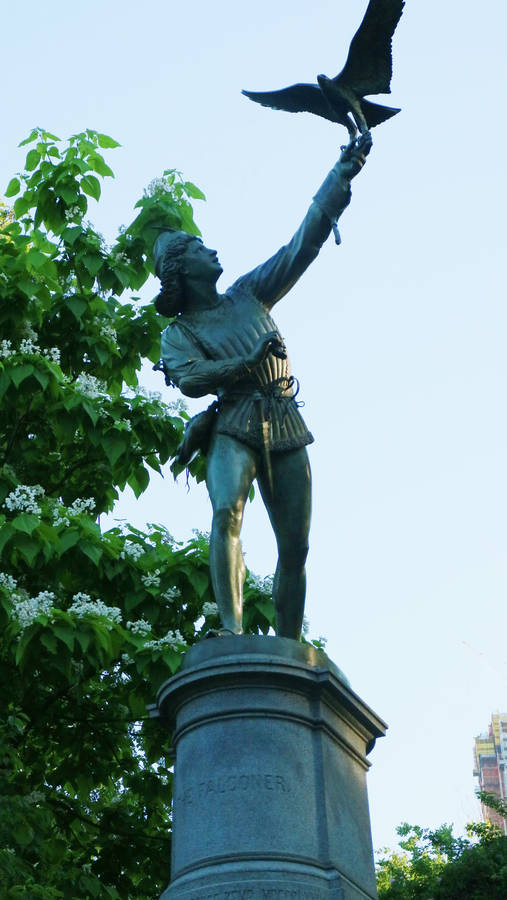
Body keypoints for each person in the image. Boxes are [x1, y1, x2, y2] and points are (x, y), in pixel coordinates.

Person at [154, 133, 372, 640]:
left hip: (285, 419)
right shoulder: (181, 332)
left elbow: (301, 245)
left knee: (295, 547)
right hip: (233, 422)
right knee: (226, 508)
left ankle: (289, 649)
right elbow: (189, 377)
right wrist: (245, 363)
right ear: (184, 269)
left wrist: (340, 176)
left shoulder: (248, 293)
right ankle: (231, 631)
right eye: (200, 248)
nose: (213, 250)